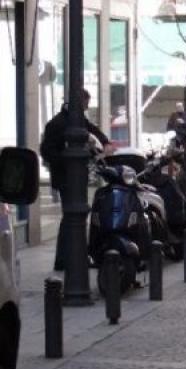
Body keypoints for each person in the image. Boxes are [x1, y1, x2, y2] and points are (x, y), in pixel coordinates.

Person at [40, 88, 114, 271]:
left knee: (75, 216)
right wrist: (66, 160)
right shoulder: (57, 123)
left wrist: (105, 141)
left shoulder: (77, 120)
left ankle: (72, 257)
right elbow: (46, 150)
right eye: (86, 104)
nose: (87, 107)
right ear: (78, 103)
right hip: (65, 176)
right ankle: (63, 259)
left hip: (76, 175)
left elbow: (92, 128)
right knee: (71, 216)